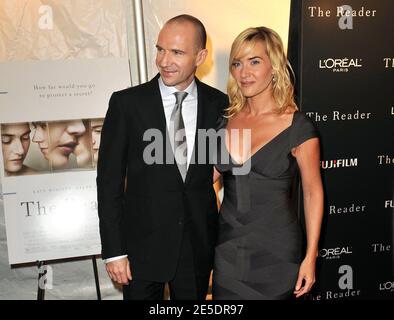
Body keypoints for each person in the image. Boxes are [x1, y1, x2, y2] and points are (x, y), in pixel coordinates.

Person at [97, 14, 228, 300]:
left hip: (196, 246)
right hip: (140, 249)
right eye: (160, 49)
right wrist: (114, 251)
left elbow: (218, 168)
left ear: (200, 56)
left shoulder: (219, 104)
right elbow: (108, 184)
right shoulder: (127, 104)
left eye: (177, 52)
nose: (164, 60)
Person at [212, 27, 324, 300]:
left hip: (278, 251)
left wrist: (310, 257)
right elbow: (208, 181)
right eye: (237, 63)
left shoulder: (298, 126)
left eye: (254, 62)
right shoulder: (224, 122)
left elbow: (312, 193)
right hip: (228, 253)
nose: (243, 72)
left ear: (274, 67)